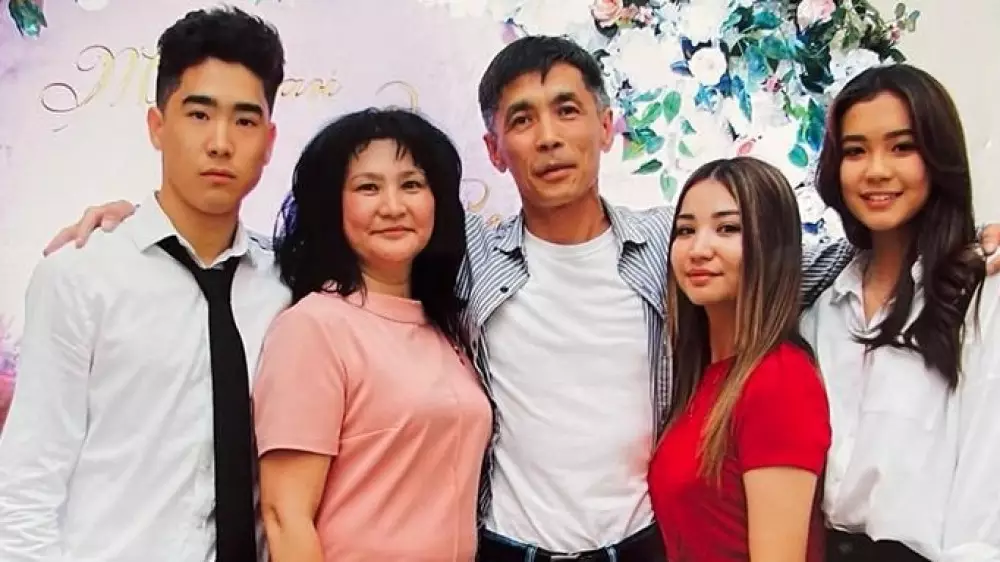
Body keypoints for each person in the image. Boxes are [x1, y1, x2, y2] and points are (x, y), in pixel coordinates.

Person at [37, 36, 1000, 562]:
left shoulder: (673, 248)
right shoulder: (460, 264)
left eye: (568, 111)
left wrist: (967, 240)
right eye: (521, 121)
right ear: (495, 149)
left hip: (639, 549)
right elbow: (337, 277)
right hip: (504, 555)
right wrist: (138, 224)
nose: (548, 137)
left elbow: (804, 257)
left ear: (607, 127)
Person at [0, 7, 288, 562]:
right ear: (157, 126)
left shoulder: (288, 287)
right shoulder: (82, 275)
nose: (221, 142)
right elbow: (25, 488)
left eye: (245, 121)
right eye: (198, 114)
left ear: (269, 140)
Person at [252, 108, 491, 562]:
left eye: (412, 185)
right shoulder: (313, 327)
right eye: (368, 187)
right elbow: (285, 515)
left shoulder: (448, 329)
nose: (393, 207)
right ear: (332, 206)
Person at [801, 63, 1000, 561]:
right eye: (855, 151)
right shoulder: (823, 309)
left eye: (901, 147)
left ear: (938, 157)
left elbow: (986, 484)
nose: (876, 170)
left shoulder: (981, 295)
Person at [648, 157, 830, 562]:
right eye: (686, 230)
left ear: (771, 245)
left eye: (728, 228)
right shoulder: (699, 378)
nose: (698, 249)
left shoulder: (779, 379)